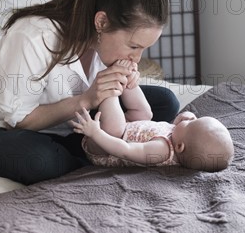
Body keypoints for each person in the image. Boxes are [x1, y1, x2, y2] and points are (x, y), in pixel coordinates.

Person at [0, 0, 180, 184]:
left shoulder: (98, 39)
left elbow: (122, 102)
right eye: (133, 47)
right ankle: (101, 156)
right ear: (102, 22)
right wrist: (87, 99)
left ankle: (100, 149)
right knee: (41, 160)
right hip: (6, 133)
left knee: (165, 102)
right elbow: (18, 121)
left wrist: (127, 85)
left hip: (73, 126)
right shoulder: (32, 37)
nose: (137, 58)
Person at [70, 68, 234, 172]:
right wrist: (181, 122)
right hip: (129, 128)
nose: (191, 117)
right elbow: (168, 129)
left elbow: (125, 150)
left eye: (191, 123)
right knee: (145, 113)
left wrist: (96, 133)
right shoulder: (179, 140)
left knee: (115, 128)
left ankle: (110, 91)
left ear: (179, 146)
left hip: (106, 146)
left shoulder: (160, 151)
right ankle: (127, 81)